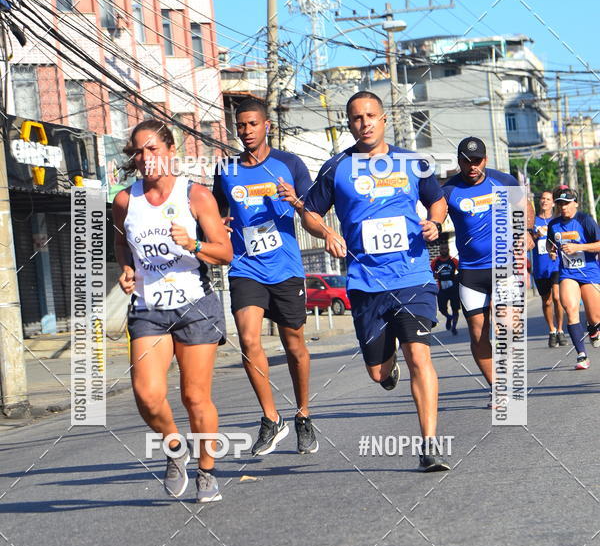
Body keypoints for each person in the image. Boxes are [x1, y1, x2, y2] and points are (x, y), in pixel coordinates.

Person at [302, 90, 450, 472]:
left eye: (371, 115)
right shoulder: (336, 168)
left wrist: (434, 222)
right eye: (356, 118)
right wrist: (327, 234)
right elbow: (309, 214)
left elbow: (437, 200)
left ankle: (429, 445)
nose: (364, 123)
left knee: (419, 354)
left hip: (412, 275)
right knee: (378, 373)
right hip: (366, 283)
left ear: (384, 119)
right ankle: (387, 369)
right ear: (348, 124)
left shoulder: (412, 162)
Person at [112, 120, 233, 503]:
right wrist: (127, 270)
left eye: (153, 150)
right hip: (149, 308)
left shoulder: (195, 196)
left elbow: (225, 253)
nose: (146, 159)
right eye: (139, 152)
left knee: (194, 397)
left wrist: (194, 244)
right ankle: (174, 445)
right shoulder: (124, 201)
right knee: (147, 395)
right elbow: (122, 247)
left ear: (170, 151)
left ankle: (207, 473)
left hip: (195, 304)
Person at [212, 97, 318, 456]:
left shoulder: (289, 164)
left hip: (285, 267)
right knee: (248, 340)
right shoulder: (226, 169)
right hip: (246, 267)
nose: (246, 131)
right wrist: (217, 224)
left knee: (294, 347)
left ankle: (303, 414)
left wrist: (299, 203)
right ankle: (271, 419)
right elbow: (215, 212)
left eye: (252, 124)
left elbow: (314, 217)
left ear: (266, 125)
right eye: (240, 126)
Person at [443, 136, 530, 406]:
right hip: (470, 271)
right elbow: (433, 216)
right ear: (459, 162)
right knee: (478, 333)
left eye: (477, 160)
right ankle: (498, 388)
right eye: (467, 161)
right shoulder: (448, 191)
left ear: (486, 160)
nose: (472, 166)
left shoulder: (502, 181)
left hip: (504, 266)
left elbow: (525, 205)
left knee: (505, 327)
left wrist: (525, 230)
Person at [547, 187, 600, 369]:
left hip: (590, 272)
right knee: (570, 308)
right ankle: (581, 355)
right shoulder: (553, 225)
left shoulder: (585, 220)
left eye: (567, 204)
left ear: (575, 203)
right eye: (560, 204)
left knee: (595, 316)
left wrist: (579, 248)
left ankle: (593, 328)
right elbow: (550, 244)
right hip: (568, 273)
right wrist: (551, 251)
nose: (563, 207)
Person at [529, 190, 566, 347]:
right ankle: (551, 330)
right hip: (540, 267)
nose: (544, 201)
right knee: (547, 301)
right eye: (542, 198)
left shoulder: (557, 222)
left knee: (557, 297)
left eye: (548, 199)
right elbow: (527, 243)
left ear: (553, 203)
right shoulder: (532, 222)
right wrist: (535, 236)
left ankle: (560, 329)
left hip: (556, 265)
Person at [431, 242, 460, 335]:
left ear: (448, 250)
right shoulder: (435, 262)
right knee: (442, 309)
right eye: (442, 249)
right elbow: (430, 273)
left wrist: (457, 278)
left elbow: (461, 271)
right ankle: (448, 317)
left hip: (453, 288)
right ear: (439, 250)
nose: (444, 250)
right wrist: (434, 275)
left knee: (455, 309)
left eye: (445, 249)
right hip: (442, 289)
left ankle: (454, 327)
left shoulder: (453, 260)